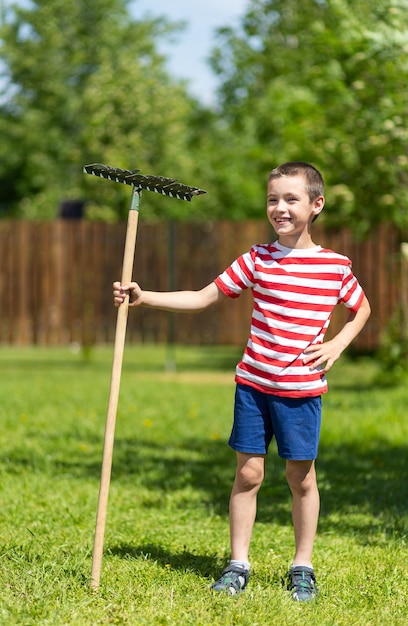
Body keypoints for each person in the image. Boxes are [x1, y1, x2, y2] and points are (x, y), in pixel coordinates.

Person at [113, 161, 371, 602]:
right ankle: (238, 564)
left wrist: (338, 344)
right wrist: (144, 297)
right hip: (253, 385)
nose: (280, 208)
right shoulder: (257, 259)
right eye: (273, 199)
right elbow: (203, 297)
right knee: (248, 474)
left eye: (291, 199)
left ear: (316, 205)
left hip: (300, 391)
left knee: (301, 478)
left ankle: (302, 565)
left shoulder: (333, 266)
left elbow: (361, 307)